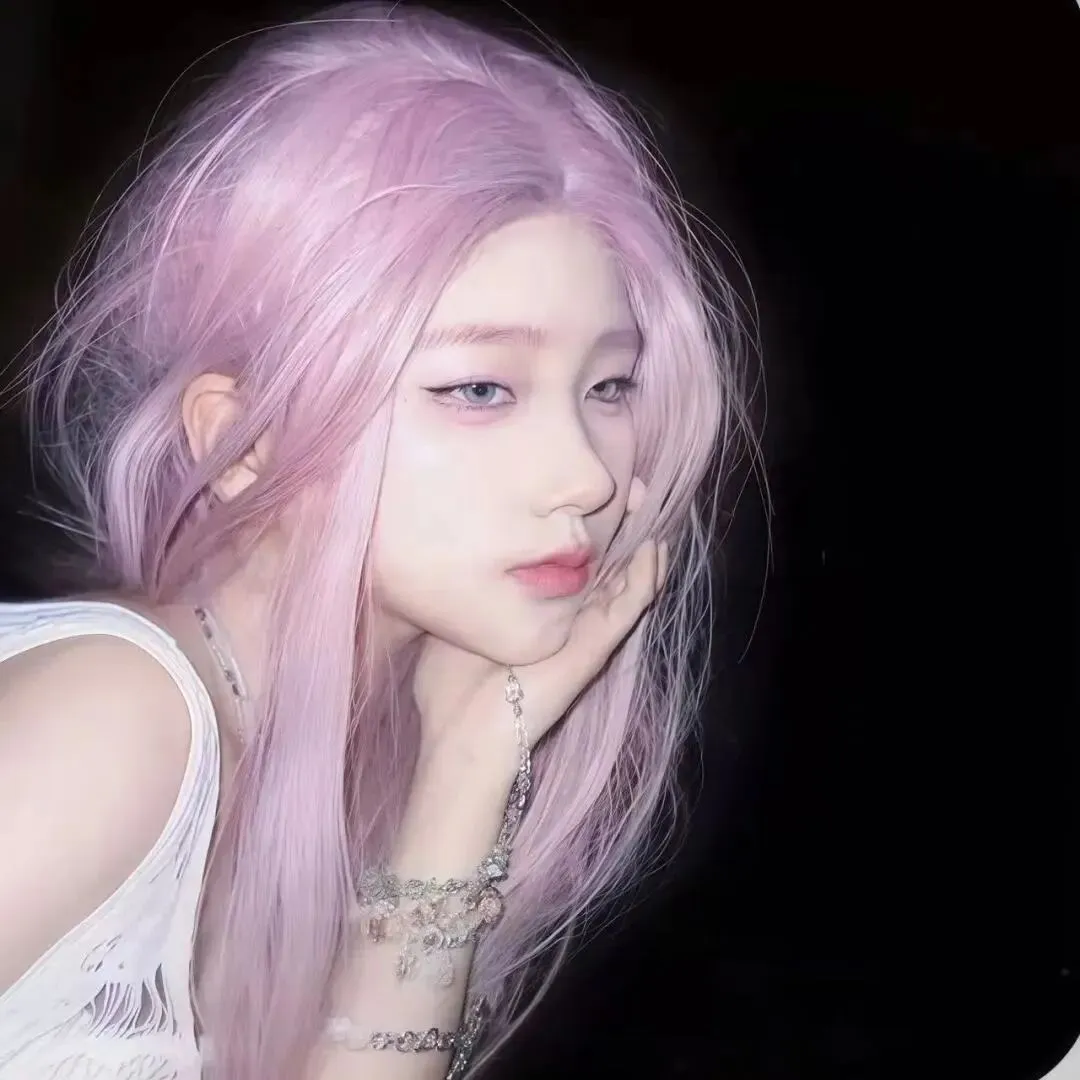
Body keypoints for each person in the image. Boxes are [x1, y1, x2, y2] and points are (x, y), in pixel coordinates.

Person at [0, 4, 754, 1078]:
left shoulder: (351, 763)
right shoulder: (113, 717)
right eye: (480, 388)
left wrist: (467, 773)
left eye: (610, 386)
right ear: (242, 439)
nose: (589, 474)